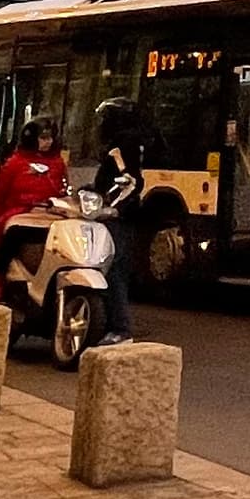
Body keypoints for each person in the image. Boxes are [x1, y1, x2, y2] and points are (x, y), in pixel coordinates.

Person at [81, 104, 150, 342]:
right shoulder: (133, 140)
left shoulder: (122, 144)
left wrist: (112, 208)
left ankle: (119, 328)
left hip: (117, 218)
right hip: (123, 216)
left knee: (112, 269)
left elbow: (129, 181)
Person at [0, 119, 68, 301]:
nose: (48, 142)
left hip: (51, 215)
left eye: (50, 138)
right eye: (43, 138)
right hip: (20, 215)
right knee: (13, 235)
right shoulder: (15, 163)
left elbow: (65, 190)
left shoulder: (58, 163)